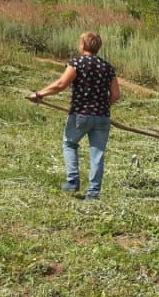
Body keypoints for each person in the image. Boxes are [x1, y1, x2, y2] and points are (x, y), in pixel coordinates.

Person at [27, 31, 121, 199]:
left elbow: (61, 84)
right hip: (102, 117)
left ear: (83, 46)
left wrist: (39, 94)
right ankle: (93, 194)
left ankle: (72, 182)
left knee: (69, 144)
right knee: (97, 154)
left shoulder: (77, 63)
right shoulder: (107, 67)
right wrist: (102, 107)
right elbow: (115, 95)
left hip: (80, 115)